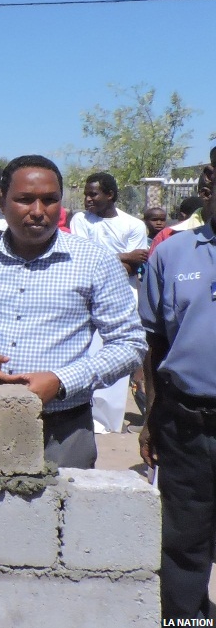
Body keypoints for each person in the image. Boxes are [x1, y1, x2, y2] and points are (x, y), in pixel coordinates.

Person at [0, 155, 146, 468]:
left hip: (65, 428)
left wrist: (61, 381)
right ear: (2, 204)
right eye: (24, 200)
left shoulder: (95, 263)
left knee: (64, 513)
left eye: (49, 200)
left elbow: (130, 344)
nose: (38, 211)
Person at [138, 211, 216, 620]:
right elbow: (154, 341)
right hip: (187, 422)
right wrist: (150, 418)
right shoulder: (170, 254)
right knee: (184, 542)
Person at [69, 171, 149, 434]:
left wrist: (119, 260)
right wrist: (124, 255)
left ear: (110, 195)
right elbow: (81, 259)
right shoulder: (81, 220)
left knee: (115, 355)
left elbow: (131, 267)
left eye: (93, 194)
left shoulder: (134, 225)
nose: (87, 199)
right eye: (86, 194)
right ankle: (87, 414)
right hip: (86, 298)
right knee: (88, 355)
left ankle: (109, 420)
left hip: (122, 297)